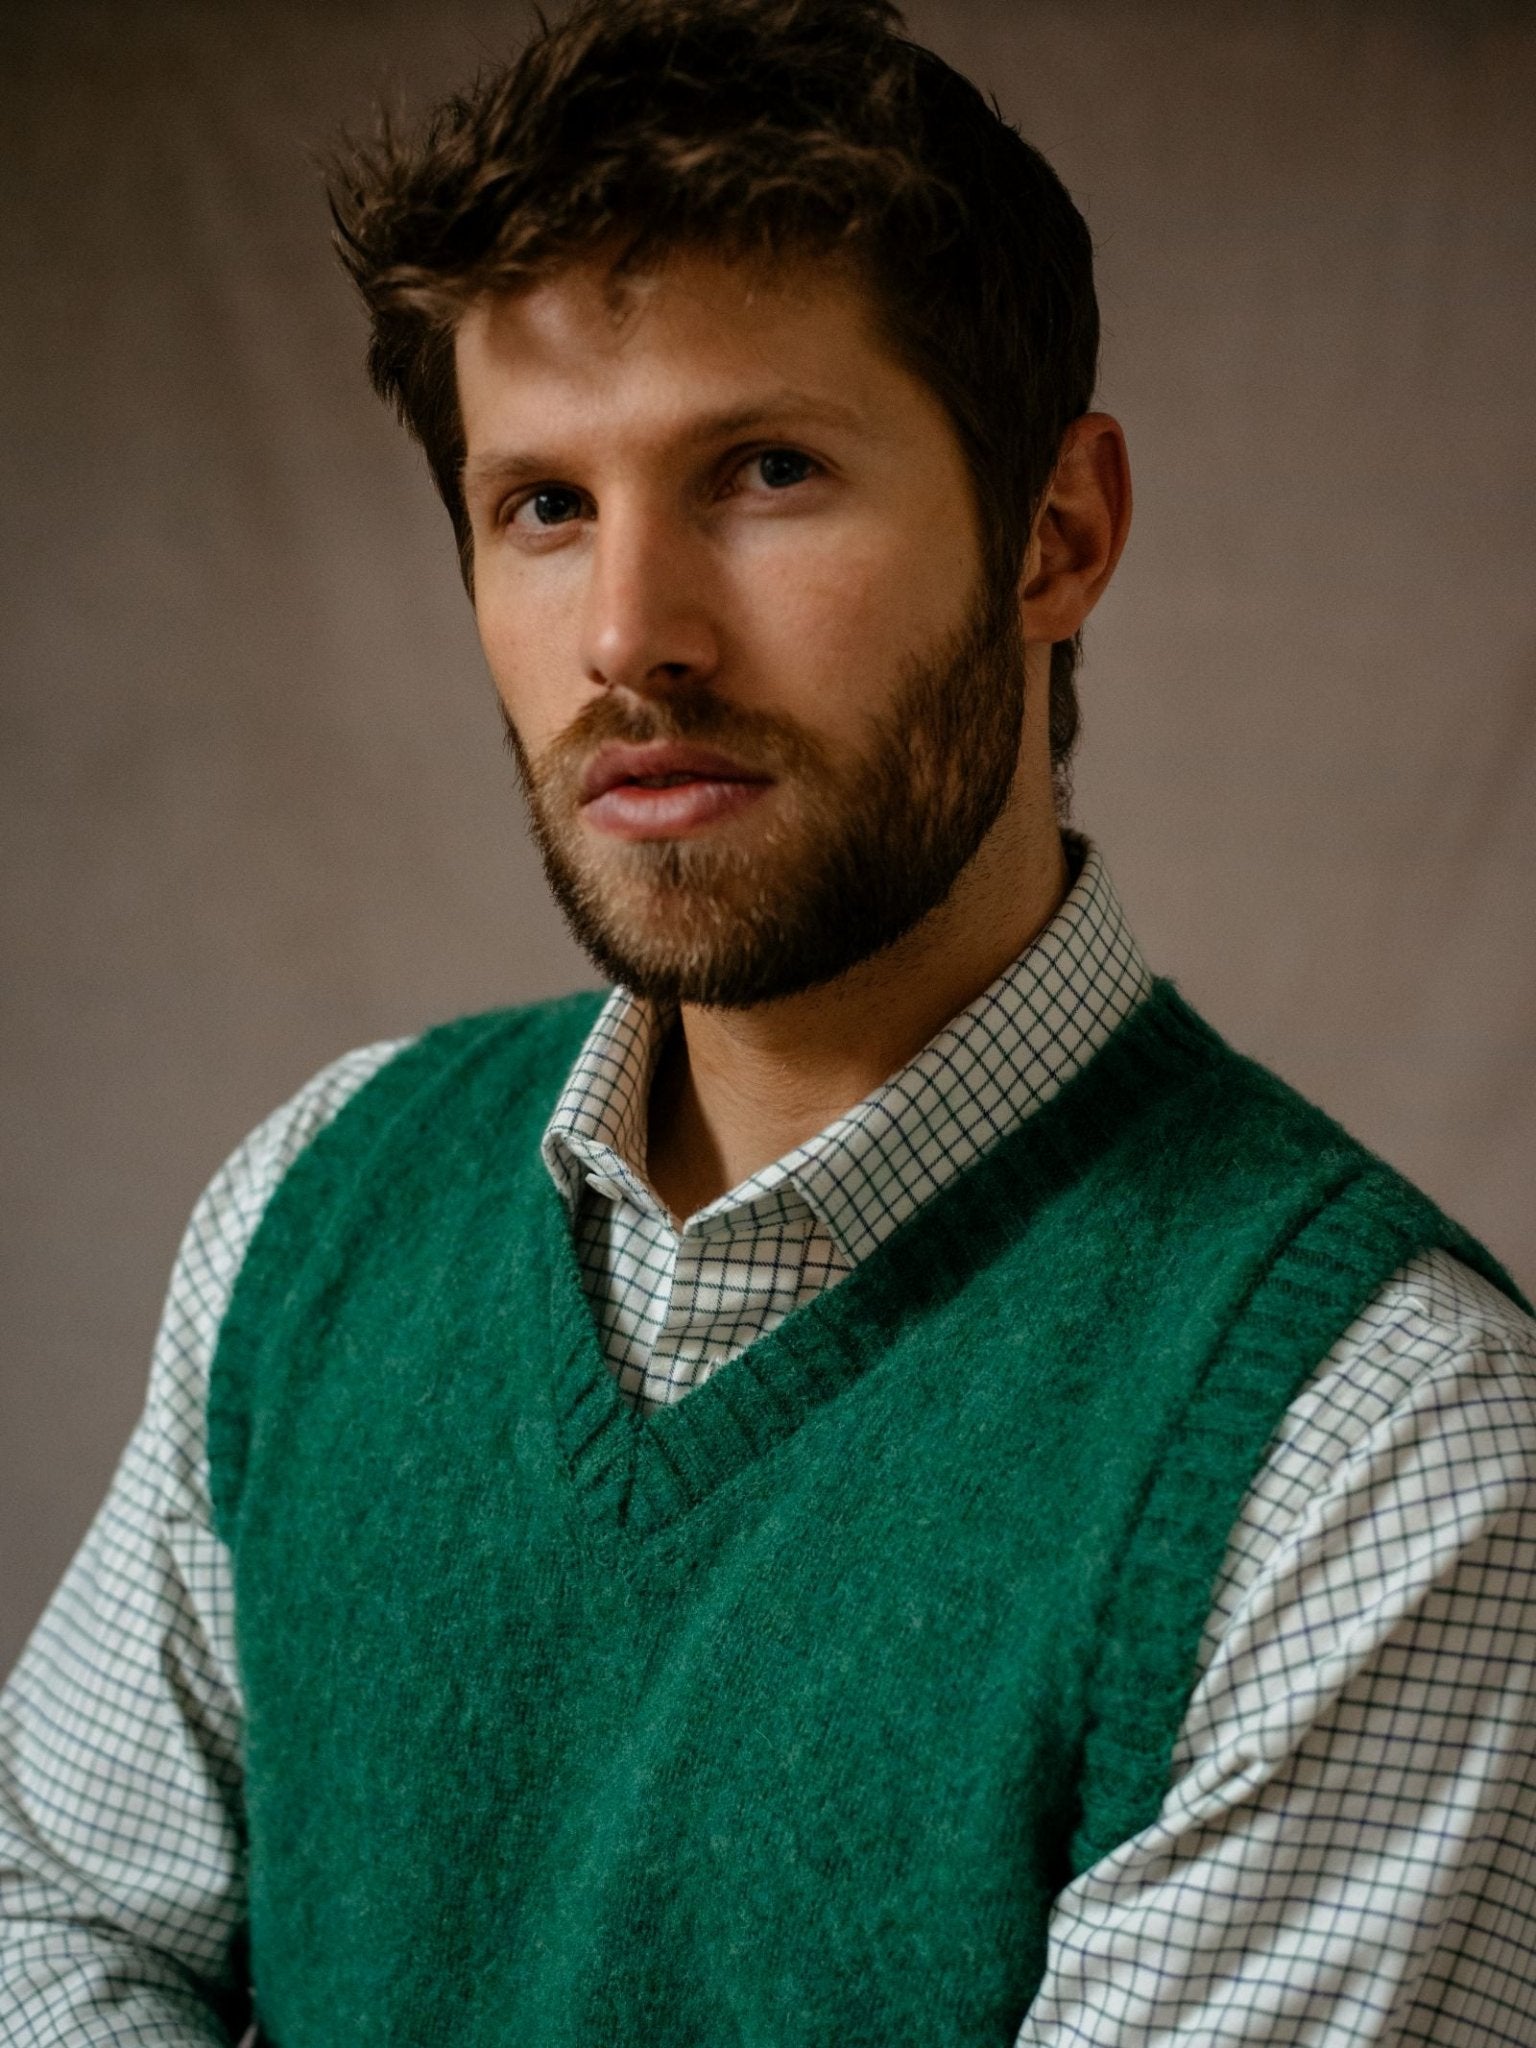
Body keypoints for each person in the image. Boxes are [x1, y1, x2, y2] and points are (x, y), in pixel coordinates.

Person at [2, 0, 1533, 2040]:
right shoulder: (316, 1200)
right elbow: (47, 1915)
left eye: (768, 468)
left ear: (1056, 534)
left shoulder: (1376, 1445)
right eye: (542, 504)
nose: (632, 634)